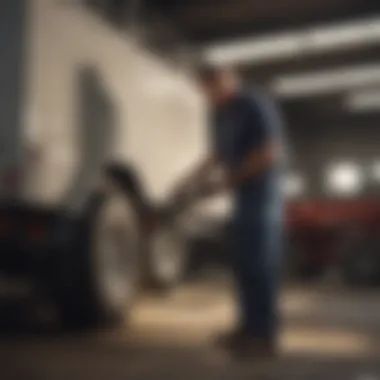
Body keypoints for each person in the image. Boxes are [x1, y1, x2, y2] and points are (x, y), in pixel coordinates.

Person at [173, 65, 285, 358]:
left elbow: (268, 153)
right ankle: (248, 328)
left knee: (259, 264)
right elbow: (217, 155)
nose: (208, 97)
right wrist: (187, 182)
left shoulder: (253, 105)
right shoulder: (225, 115)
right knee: (244, 263)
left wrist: (228, 182)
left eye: (210, 89)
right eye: (205, 92)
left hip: (262, 195)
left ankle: (263, 336)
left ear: (225, 81)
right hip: (244, 196)